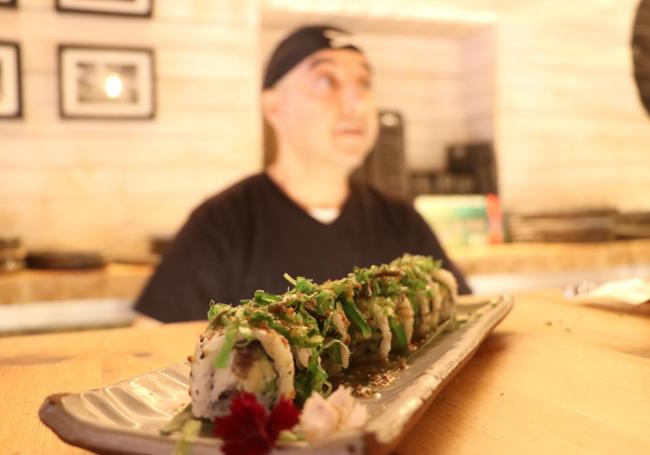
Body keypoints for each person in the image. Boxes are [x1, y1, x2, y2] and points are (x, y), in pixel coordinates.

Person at [135, 25, 470, 322]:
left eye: (364, 83)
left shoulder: (401, 221)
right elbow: (150, 352)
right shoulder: (222, 224)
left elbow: (467, 322)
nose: (356, 103)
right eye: (326, 81)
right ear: (273, 106)